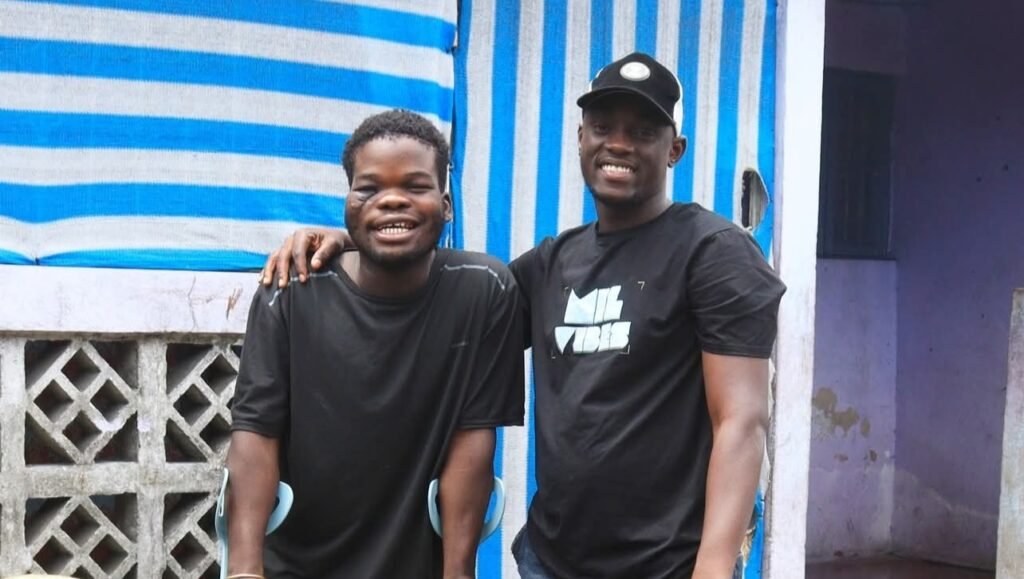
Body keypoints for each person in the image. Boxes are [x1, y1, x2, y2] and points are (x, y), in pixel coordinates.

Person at [263, 52, 785, 579]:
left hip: (669, 564)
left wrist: (713, 566)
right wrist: (356, 240)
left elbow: (741, 421)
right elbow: (450, 294)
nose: (619, 144)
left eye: (643, 132)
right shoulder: (552, 263)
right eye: (602, 127)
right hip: (551, 562)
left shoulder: (712, 253)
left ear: (675, 149)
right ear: (580, 138)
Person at [226, 109, 524, 579]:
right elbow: (255, 433)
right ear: (347, 202)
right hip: (297, 565)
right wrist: (244, 569)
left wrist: (458, 574)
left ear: (447, 204)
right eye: (369, 188)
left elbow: (473, 440)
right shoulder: (291, 291)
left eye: (415, 186)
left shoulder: (483, 290)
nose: (392, 200)